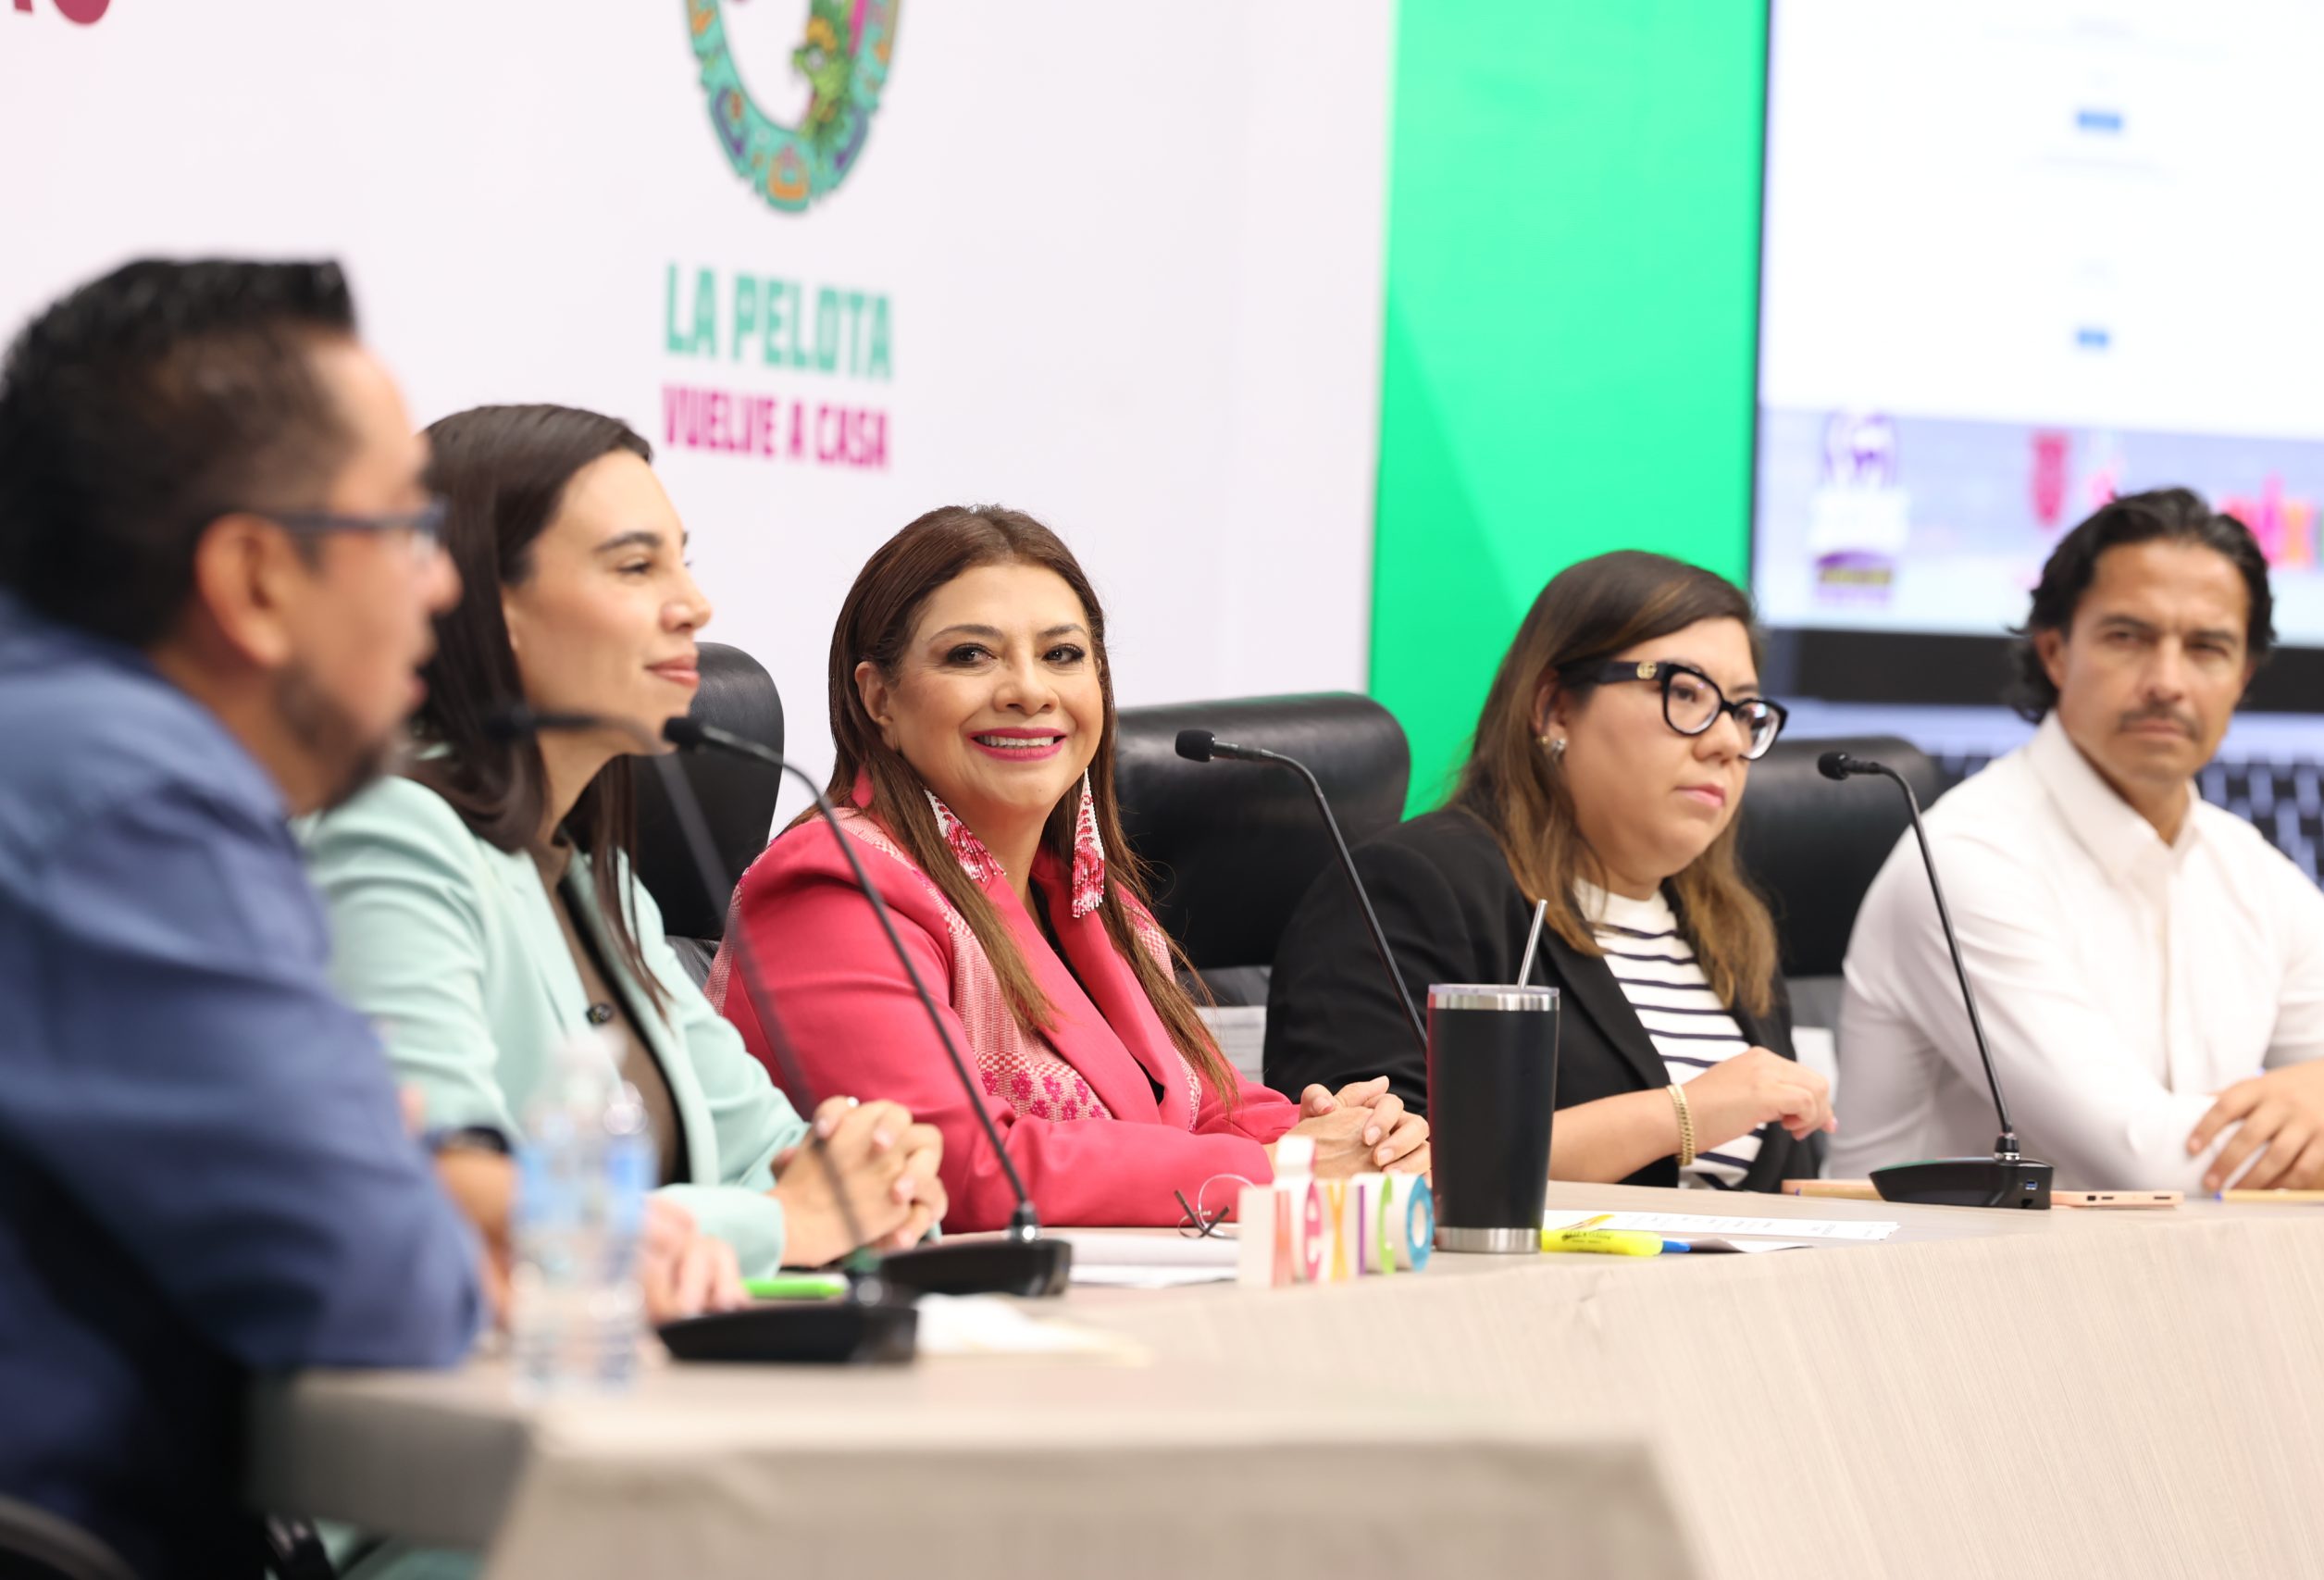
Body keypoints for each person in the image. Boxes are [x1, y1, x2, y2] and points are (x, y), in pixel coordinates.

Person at [0, 258, 491, 1580]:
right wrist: (392, 1175)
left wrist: (382, 1158)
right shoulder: (129, 796)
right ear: (257, 578)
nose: (438, 589)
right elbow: (381, 1284)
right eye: (405, 528)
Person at [302, 404, 945, 1275]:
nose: (694, 605)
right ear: (484, 603)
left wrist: (878, 1182)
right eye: (637, 565)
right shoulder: (392, 833)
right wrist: (781, 1223)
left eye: (684, 560)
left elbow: (773, 1150)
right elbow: (447, 1202)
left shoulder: (597, 876)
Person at [710, 505, 1429, 1232]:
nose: (1030, 690)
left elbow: (1215, 1105)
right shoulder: (831, 887)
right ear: (878, 699)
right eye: (971, 655)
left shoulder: (1088, 894)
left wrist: (1354, 1136)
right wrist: (1282, 1169)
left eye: (1062, 654)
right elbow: (957, 1167)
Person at [1835, 488, 2324, 1191]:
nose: (2167, 682)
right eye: (2129, 637)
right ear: (2055, 651)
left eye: (2207, 647)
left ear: (2242, 677)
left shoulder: (2251, 869)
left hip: (2173, 1281)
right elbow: (2148, 1163)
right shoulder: (1966, 859)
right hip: (1941, 1290)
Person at [1265, 551, 1832, 1190]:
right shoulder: (1413, 886)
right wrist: (1682, 1113)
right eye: (1685, 693)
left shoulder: (1733, 932)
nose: (1727, 741)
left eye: (1745, 711)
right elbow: (1367, 1158)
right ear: (1555, 709)